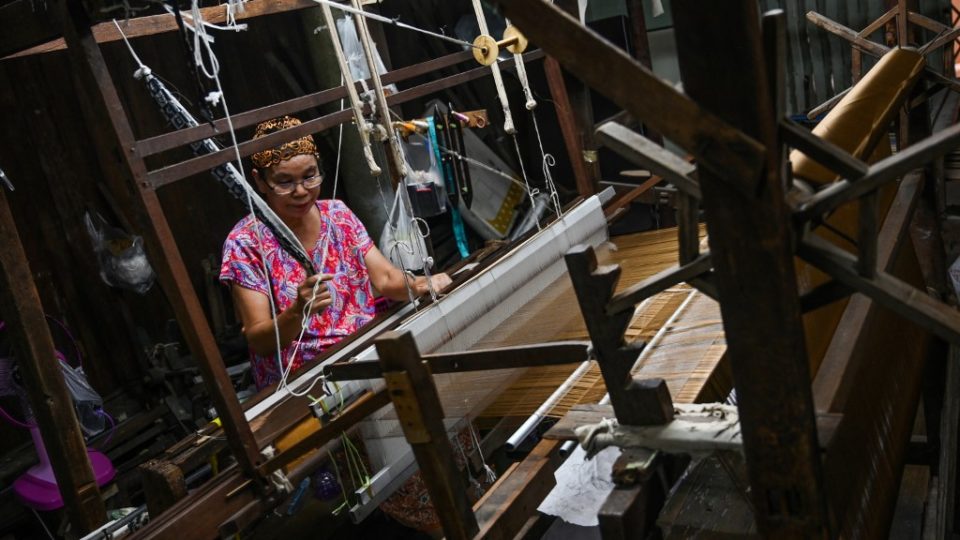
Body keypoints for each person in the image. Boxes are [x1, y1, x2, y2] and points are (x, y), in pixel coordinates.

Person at [220, 116, 451, 390]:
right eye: (284, 182)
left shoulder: (338, 215)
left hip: (363, 354)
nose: (301, 191)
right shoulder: (245, 243)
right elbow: (259, 341)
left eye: (309, 176)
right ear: (259, 181)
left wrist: (420, 284)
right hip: (304, 385)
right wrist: (297, 312)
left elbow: (386, 278)